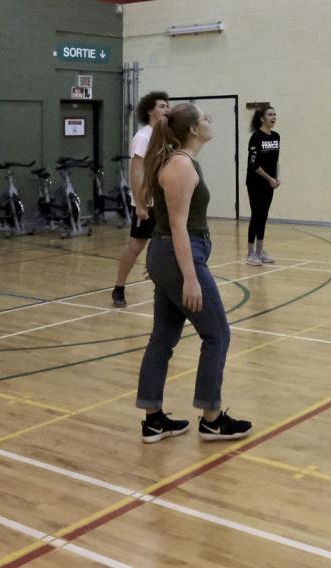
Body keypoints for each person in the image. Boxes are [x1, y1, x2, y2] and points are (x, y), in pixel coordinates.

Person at [135, 103, 252, 444]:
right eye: (203, 119)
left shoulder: (178, 162)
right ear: (192, 130)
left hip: (170, 255)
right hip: (179, 255)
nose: (209, 121)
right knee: (217, 335)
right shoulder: (180, 166)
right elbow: (176, 226)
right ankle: (212, 419)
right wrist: (188, 276)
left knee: (163, 338)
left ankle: (154, 420)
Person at [113, 91, 170, 308]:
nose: (166, 109)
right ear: (150, 110)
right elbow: (136, 171)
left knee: (167, 243)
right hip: (147, 202)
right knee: (136, 245)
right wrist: (140, 202)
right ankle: (119, 287)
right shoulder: (143, 136)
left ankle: (163, 285)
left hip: (164, 200)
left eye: (167, 105)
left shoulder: (164, 136)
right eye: (162, 106)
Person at [245, 105, 281, 264]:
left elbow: (275, 160)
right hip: (255, 182)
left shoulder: (276, 136)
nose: (273, 117)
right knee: (256, 215)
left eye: (274, 114)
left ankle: (260, 251)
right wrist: (269, 179)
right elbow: (254, 165)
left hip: (269, 183)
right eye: (270, 114)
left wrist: (277, 177)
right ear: (262, 118)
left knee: (264, 215)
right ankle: (251, 253)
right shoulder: (256, 137)